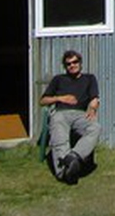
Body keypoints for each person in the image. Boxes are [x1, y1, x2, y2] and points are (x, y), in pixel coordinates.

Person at [40, 49, 100, 183]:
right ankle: (64, 173)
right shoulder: (59, 79)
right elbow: (42, 101)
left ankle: (74, 157)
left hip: (80, 115)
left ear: (80, 63)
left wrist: (93, 105)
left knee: (95, 127)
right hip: (61, 113)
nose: (72, 65)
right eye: (68, 64)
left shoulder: (89, 78)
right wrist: (61, 98)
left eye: (75, 62)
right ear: (65, 66)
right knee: (60, 137)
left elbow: (95, 97)